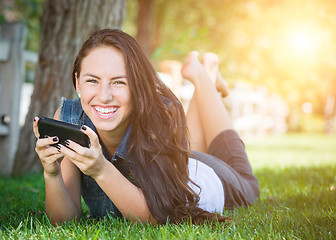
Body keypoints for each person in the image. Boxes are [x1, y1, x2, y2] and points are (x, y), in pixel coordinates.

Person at [33, 29, 259, 225]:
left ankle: (203, 75)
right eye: (92, 80)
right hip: (180, 164)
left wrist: (100, 168)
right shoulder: (71, 119)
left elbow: (155, 217)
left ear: (137, 85)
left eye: (119, 82)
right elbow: (66, 220)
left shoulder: (160, 114)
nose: (104, 96)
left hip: (205, 180)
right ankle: (207, 75)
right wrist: (51, 174)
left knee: (248, 183)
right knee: (190, 151)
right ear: (77, 83)